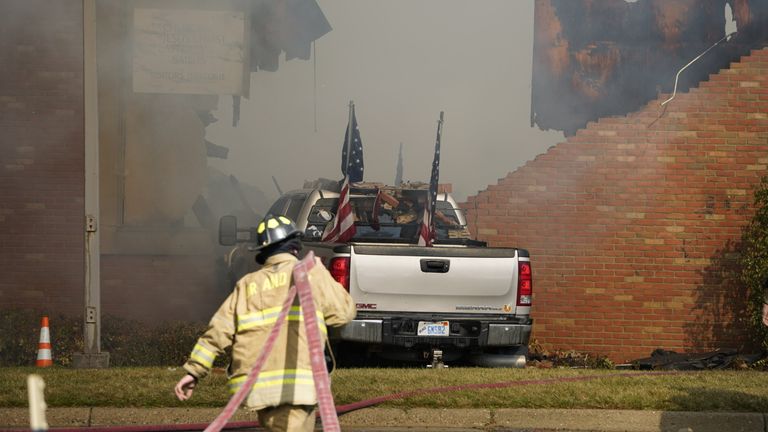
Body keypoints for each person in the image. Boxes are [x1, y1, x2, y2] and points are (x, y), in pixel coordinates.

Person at [174, 214, 356, 432]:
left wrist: (193, 372)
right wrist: (323, 278)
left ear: (263, 252)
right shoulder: (310, 274)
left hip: (258, 389)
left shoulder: (247, 285)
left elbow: (218, 332)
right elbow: (343, 314)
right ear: (295, 247)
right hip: (299, 386)